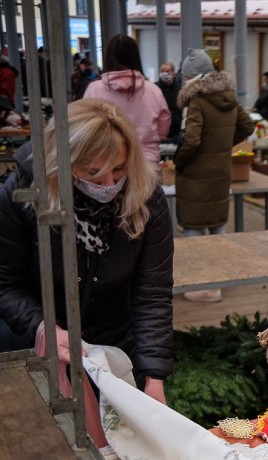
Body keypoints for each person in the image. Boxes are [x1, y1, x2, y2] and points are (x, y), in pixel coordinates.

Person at [0, 99, 174, 405]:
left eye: (119, 169)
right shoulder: (24, 196)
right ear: (62, 164)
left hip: (114, 342)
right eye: (93, 173)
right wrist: (43, 327)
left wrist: (153, 376)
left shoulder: (146, 195)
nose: (109, 184)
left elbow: (152, 291)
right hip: (31, 342)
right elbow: (6, 285)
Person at [174, 48, 254, 302]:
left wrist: (179, 162)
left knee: (193, 229)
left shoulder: (196, 101)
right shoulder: (228, 97)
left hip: (196, 175)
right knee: (218, 226)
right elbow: (248, 127)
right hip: (220, 172)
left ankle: (200, 287)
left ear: (191, 76)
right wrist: (221, 146)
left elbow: (191, 140)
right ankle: (219, 284)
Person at [84, 34, 170, 167]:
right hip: (146, 163)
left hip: (106, 164)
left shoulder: (94, 90)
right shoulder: (153, 90)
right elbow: (164, 128)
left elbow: (85, 127)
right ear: (136, 57)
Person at [155, 61, 182, 143]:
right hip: (159, 131)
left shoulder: (179, 89)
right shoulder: (155, 88)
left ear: (173, 74)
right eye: (162, 71)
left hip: (175, 132)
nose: (164, 74)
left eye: (167, 72)